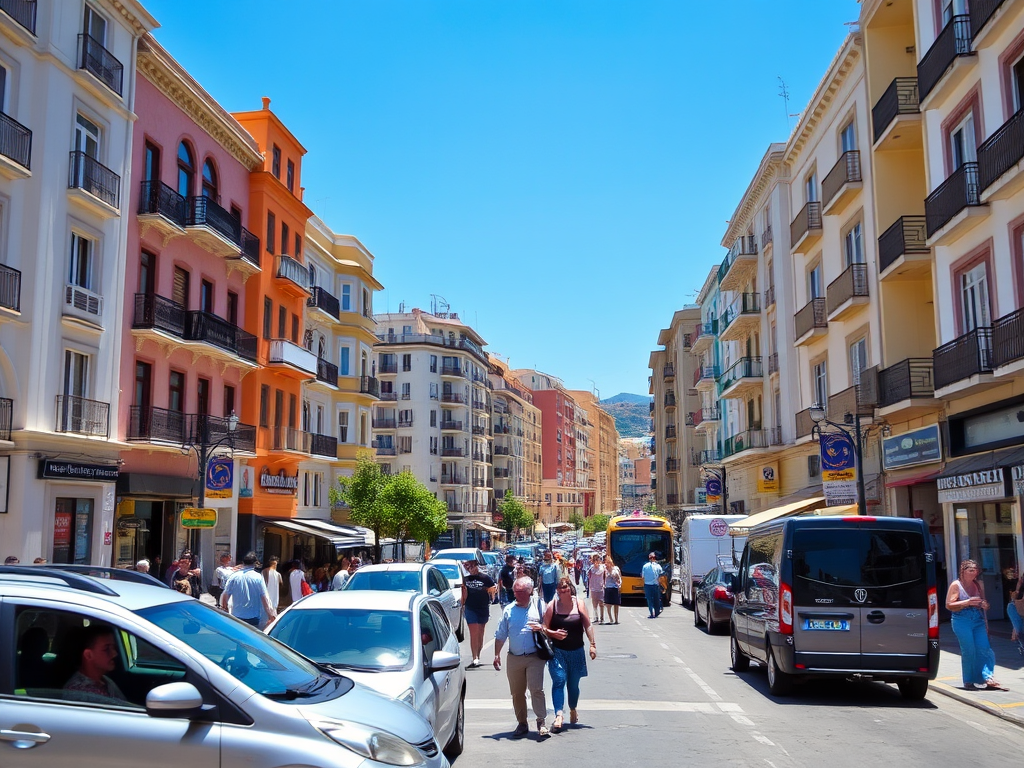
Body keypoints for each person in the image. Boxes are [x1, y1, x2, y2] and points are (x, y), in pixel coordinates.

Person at [493, 576, 550, 739]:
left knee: (536, 689)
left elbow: (548, 626)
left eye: (520, 592)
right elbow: (501, 634)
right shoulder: (509, 610)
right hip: (515, 657)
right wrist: (497, 654)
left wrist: (541, 627)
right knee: (517, 693)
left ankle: (541, 721)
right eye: (515, 591)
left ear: (530, 591)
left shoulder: (539, 606)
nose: (517, 594)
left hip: (535, 656)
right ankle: (522, 723)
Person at [542, 577, 597, 732]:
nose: (562, 591)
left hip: (576, 651)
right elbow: (543, 627)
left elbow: (587, 625)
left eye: (565, 588)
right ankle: (558, 715)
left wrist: (592, 645)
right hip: (558, 651)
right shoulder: (553, 606)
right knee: (559, 680)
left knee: (573, 686)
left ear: (571, 589)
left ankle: (573, 708)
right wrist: (553, 633)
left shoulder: (579, 604)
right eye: (560, 589)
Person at [946, 559, 1001, 690]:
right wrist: (968, 602)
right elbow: (949, 605)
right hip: (961, 620)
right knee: (969, 650)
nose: (974, 573)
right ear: (963, 571)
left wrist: (984, 604)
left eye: (976, 570)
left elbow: (983, 602)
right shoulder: (956, 585)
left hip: (978, 620)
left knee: (985, 648)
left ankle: (987, 677)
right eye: (971, 570)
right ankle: (969, 680)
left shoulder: (978, 584)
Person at [63, 624, 128, 704]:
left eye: (113, 647)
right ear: (88, 655)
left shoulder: (105, 681)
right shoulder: (79, 693)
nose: (115, 653)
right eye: (106, 649)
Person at [220, 551, 277, 627]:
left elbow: (226, 594)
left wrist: (225, 608)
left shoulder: (234, 576)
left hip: (236, 616)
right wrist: (270, 615)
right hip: (253, 617)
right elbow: (265, 598)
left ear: (243, 563)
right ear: (254, 563)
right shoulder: (258, 577)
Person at [462, 560, 497, 667]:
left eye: (473, 567)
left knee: (480, 632)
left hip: (483, 608)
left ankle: (478, 654)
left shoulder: (485, 578)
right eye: (469, 567)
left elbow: (492, 589)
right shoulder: (466, 579)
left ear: (477, 566)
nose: (471, 569)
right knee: (474, 632)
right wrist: (462, 603)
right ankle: (475, 658)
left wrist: (492, 593)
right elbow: (463, 593)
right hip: (470, 608)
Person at [642, 552, 665, 619]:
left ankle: (652, 613)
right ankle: (656, 612)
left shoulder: (645, 566)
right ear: (655, 558)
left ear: (649, 558)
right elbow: (661, 575)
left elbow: (643, 577)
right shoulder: (658, 566)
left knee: (650, 600)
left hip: (647, 585)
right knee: (656, 599)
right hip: (656, 585)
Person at [588, 554, 606, 624]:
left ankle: (602, 618)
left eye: (597, 559)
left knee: (601, 603)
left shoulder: (602, 567)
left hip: (600, 587)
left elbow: (605, 576)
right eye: (594, 559)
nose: (596, 561)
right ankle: (596, 617)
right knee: (594, 604)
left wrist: (604, 584)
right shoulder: (591, 568)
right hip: (593, 587)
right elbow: (588, 576)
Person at [603, 556, 622, 625]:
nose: (606, 564)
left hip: (615, 588)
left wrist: (620, 585)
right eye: (606, 562)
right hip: (608, 588)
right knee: (608, 605)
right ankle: (610, 618)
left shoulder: (616, 569)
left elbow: (619, 577)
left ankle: (616, 619)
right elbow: (603, 578)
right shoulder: (605, 570)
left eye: (608, 562)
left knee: (616, 604)